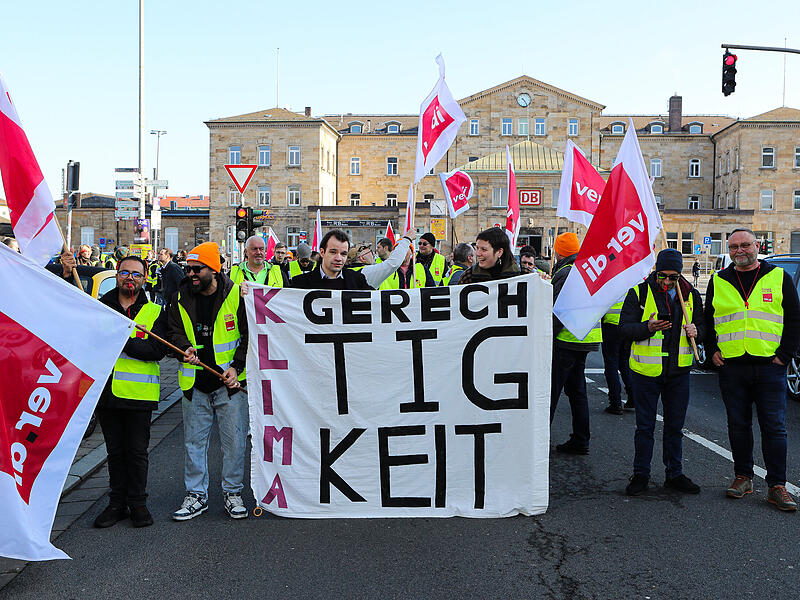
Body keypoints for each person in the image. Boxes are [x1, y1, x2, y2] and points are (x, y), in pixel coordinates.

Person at [705, 228, 800, 511]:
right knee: (738, 425)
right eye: (733, 247)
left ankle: (777, 486)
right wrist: (712, 351)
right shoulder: (718, 280)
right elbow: (708, 318)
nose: (739, 251)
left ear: (756, 245)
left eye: (745, 245)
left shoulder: (778, 277)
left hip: (769, 366)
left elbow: (794, 319)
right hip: (732, 366)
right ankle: (743, 477)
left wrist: (785, 355)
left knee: (774, 428)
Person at [167, 242, 250, 521]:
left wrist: (237, 367)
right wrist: (183, 348)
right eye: (188, 268)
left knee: (235, 443)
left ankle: (232, 493)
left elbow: (249, 337)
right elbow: (173, 332)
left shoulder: (237, 294)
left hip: (230, 385)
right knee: (194, 443)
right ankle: (196, 495)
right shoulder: (179, 298)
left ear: (214, 270)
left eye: (196, 269)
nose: (190, 274)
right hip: (194, 383)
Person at [620, 249, 704, 496]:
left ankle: (674, 474)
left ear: (680, 275)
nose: (667, 282)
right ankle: (641, 474)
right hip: (646, 372)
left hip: (678, 372)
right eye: (662, 276)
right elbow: (624, 329)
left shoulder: (690, 295)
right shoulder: (639, 293)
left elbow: (705, 329)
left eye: (673, 277)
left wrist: (696, 331)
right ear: (655, 272)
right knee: (644, 427)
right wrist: (648, 327)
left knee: (675, 426)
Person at [93, 255, 167, 528]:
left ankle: (137, 503)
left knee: (136, 452)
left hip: (139, 395)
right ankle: (116, 504)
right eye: (125, 273)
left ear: (145, 277)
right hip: (108, 394)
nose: (130, 278)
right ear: (117, 275)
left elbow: (156, 351)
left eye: (136, 274)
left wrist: (122, 338)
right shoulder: (101, 307)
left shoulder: (155, 311)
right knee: (115, 452)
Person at [549, 232, 601, 455]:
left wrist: (547, 336)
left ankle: (538, 443)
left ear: (559, 252)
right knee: (577, 391)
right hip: (585, 338)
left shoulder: (565, 272)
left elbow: (557, 310)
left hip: (566, 340)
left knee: (550, 393)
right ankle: (581, 439)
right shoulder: (585, 269)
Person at [291, 229, 372, 290]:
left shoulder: (358, 280)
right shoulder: (299, 283)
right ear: (322, 252)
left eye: (343, 254)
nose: (339, 259)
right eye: (333, 252)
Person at [347, 230, 415, 289]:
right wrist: (407, 238)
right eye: (370, 252)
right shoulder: (364, 272)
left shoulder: (349, 272)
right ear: (362, 258)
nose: (374, 253)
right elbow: (393, 263)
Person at [601, 295, 634, 415]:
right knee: (625, 362)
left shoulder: (610, 279)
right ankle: (632, 397)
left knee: (611, 365)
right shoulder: (632, 279)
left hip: (611, 324)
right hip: (627, 325)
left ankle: (615, 403)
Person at [456, 227, 520, 285]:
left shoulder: (522, 274)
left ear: (499, 252)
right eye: (477, 248)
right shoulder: (469, 276)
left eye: (484, 249)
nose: (478, 253)